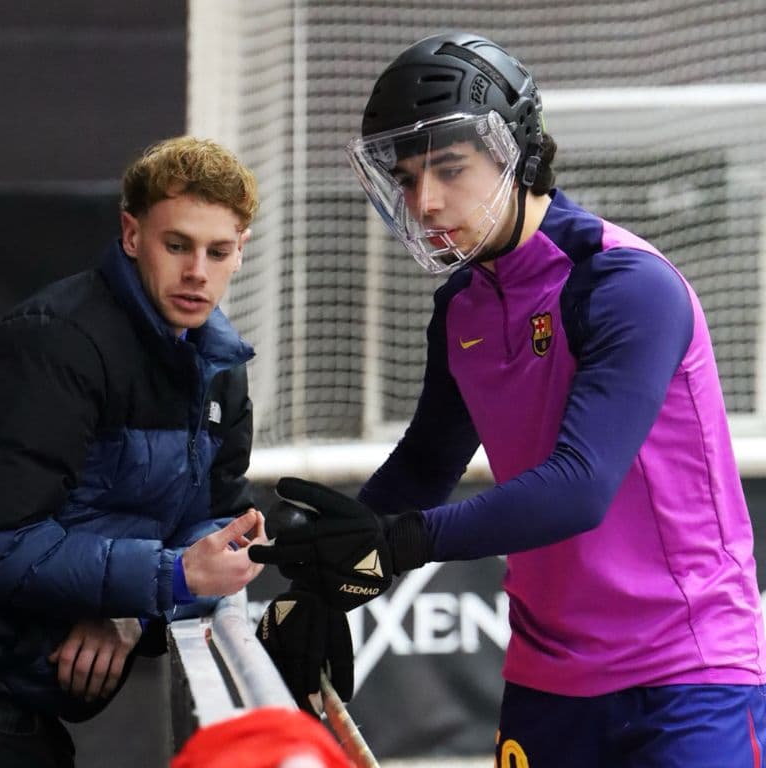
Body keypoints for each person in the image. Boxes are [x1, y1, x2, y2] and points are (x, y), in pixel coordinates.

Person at [250, 31, 766, 767]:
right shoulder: (462, 305)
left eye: (448, 168)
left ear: (518, 152)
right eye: (404, 178)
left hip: (686, 680)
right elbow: (425, 467)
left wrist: (397, 546)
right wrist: (322, 584)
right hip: (545, 680)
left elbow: (578, 488)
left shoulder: (626, 286)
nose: (424, 201)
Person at [0, 135, 268, 768]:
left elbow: (216, 523)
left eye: (218, 251)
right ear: (132, 235)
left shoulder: (219, 366)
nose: (197, 272)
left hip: (15, 688)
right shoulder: (52, 345)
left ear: (242, 251)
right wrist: (167, 578)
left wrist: (133, 614)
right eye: (176, 244)